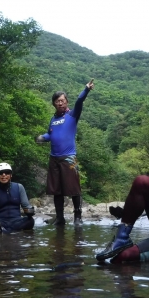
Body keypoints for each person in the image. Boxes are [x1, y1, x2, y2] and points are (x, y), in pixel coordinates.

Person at [36, 79, 95, 226]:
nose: (60, 103)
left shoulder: (72, 115)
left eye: (62, 100)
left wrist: (86, 89)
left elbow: (80, 101)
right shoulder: (53, 119)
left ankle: (77, 216)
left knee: (75, 188)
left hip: (70, 157)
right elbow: (52, 134)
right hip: (54, 159)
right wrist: (43, 137)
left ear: (67, 102)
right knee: (57, 191)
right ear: (54, 104)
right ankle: (60, 217)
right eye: (57, 101)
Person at [0, 162, 35, 233]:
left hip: (17, 221)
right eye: (0, 173)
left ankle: (3, 231)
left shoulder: (19, 187)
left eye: (7, 173)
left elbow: (26, 205)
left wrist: (30, 211)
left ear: (11, 175)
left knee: (30, 220)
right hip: (0, 221)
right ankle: (0, 230)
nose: (4, 175)